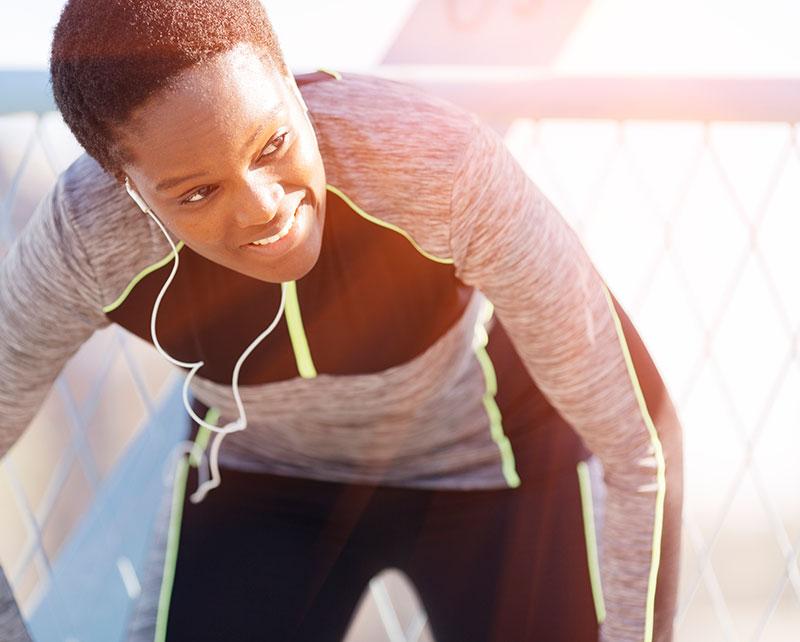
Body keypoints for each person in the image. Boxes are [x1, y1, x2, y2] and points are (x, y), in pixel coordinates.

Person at [0, 0, 683, 640]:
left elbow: (639, 442)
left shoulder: (438, 166)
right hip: (264, 483)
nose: (264, 207)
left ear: (292, 84)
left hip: (495, 467)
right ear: (126, 186)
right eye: (199, 192)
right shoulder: (85, 240)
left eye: (271, 145)